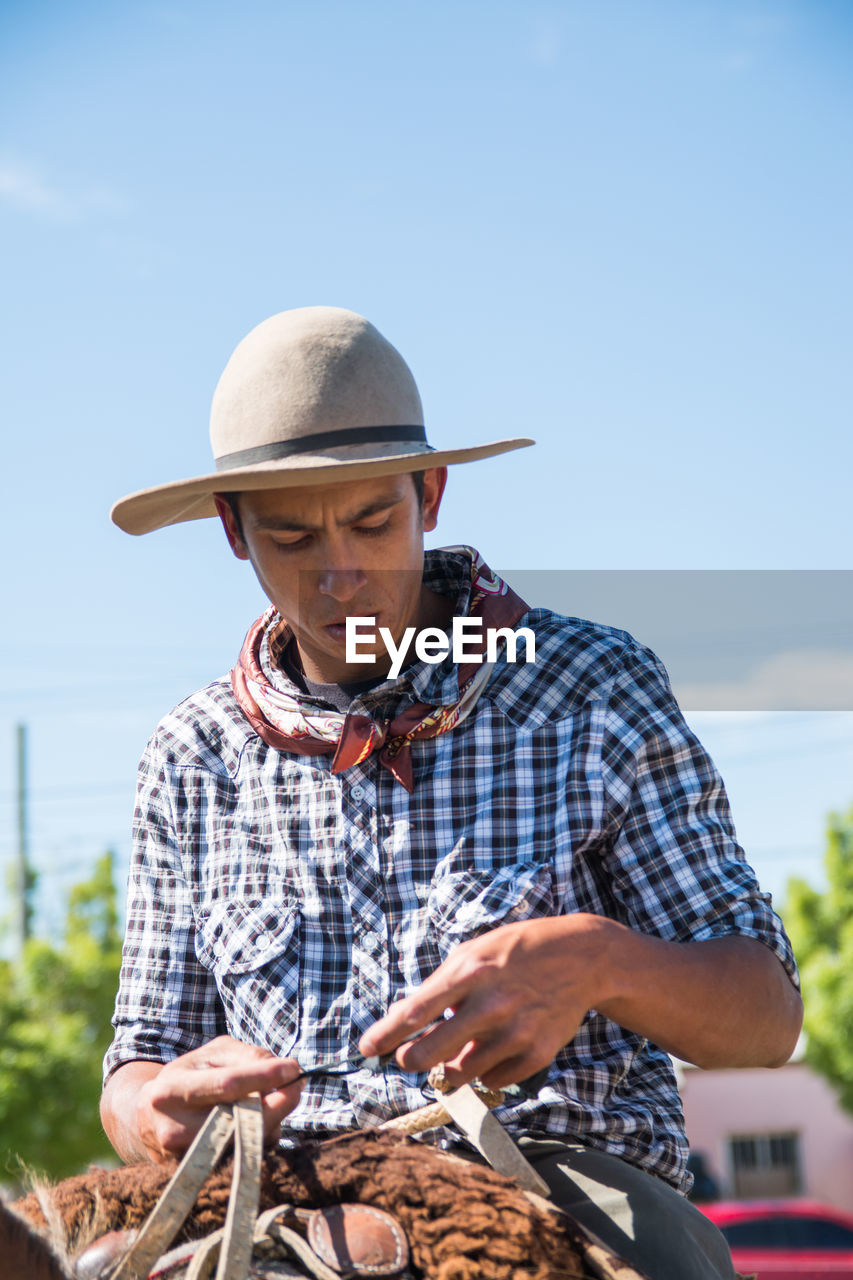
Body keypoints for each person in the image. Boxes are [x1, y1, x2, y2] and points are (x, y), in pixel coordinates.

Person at [102, 306, 802, 1280]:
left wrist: (600, 960)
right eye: (294, 536)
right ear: (233, 529)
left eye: (372, 520)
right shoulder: (193, 754)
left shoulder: (587, 684)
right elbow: (140, 1057)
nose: (338, 571)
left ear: (429, 493)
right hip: (281, 1191)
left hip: (562, 1176)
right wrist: (156, 1102)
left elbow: (764, 1016)